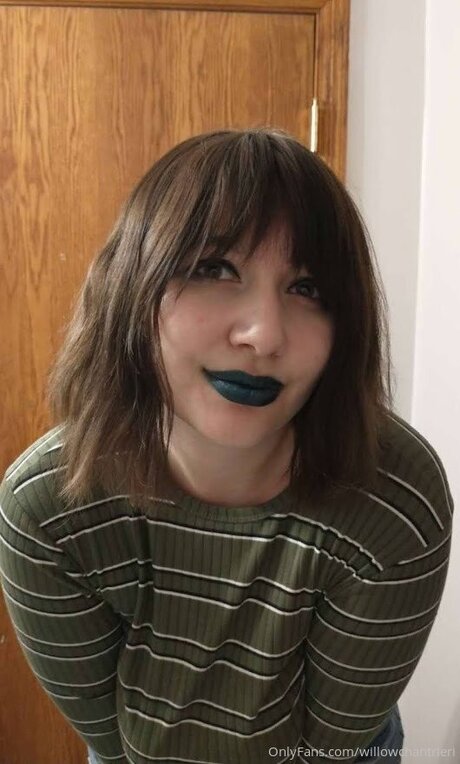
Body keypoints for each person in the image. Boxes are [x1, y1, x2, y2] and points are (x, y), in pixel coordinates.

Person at [0, 128, 454, 764]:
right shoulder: (48, 507)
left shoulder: (395, 501)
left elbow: (330, 750)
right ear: (131, 290)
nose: (264, 334)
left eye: (308, 288)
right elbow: (107, 738)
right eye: (214, 269)